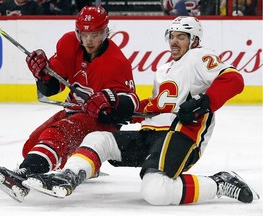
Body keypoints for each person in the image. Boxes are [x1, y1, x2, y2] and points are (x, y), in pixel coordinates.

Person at [22, 16, 259, 205]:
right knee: (98, 138)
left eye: (182, 37)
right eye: (172, 37)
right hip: (150, 133)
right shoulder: (166, 68)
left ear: (194, 41)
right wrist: (116, 108)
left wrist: (204, 102)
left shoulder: (200, 56)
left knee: (155, 191)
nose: (174, 42)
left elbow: (234, 79)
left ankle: (219, 183)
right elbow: (155, 106)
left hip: (178, 135)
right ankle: (69, 176)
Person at [0, 6, 139, 202]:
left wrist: (109, 102)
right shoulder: (69, 44)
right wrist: (42, 75)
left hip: (101, 121)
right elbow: (52, 87)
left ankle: (22, 176)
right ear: (78, 32)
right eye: (84, 34)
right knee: (32, 146)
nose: (89, 40)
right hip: (74, 111)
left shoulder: (117, 62)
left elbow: (131, 102)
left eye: (95, 34)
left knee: (57, 133)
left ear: (105, 33)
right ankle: (85, 163)